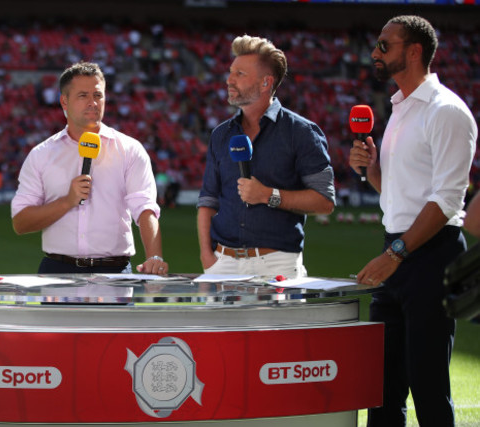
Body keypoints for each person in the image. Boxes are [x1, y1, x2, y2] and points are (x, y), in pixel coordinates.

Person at [349, 15, 477, 427]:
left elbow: (447, 199)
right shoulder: (401, 109)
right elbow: (398, 195)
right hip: (398, 249)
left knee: (428, 384)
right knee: (383, 388)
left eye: (385, 45)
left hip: (430, 255)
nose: (375, 52)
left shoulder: (447, 112)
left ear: (415, 51)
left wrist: (397, 253)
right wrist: (371, 172)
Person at [197, 35, 335, 278]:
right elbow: (208, 200)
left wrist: (269, 196)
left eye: (240, 73)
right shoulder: (221, 134)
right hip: (222, 263)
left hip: (277, 264)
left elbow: (324, 201)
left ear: (265, 82)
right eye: (231, 72)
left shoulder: (302, 132)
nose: (229, 80)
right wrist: (207, 257)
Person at [11, 62, 168, 275]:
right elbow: (20, 222)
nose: (93, 103)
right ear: (64, 101)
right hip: (58, 272)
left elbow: (145, 208)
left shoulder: (130, 150)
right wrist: (67, 201)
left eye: (98, 95)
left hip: (115, 271)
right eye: (83, 95)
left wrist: (154, 257)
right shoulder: (42, 154)